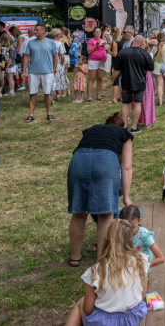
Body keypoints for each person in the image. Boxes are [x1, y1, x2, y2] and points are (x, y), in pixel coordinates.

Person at [66, 113, 134, 267]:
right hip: (105, 160)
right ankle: (102, 260)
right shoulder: (124, 134)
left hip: (78, 160)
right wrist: (126, 197)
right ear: (122, 127)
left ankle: (75, 257)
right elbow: (127, 167)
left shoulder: (91, 130)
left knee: (79, 211)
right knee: (106, 213)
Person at [63, 220, 147, 326]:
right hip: (132, 319)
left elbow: (88, 310)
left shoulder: (96, 271)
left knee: (81, 303)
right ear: (130, 239)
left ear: (107, 240)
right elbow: (142, 294)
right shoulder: (141, 262)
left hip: (104, 322)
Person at [112, 36, 154, 135]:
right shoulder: (145, 54)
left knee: (125, 104)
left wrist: (111, 80)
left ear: (133, 42)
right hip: (140, 81)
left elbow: (116, 69)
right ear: (141, 44)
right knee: (137, 103)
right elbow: (151, 67)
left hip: (126, 81)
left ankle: (125, 126)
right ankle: (134, 127)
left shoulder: (123, 52)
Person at [22, 23, 58, 122]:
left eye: (37, 30)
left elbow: (55, 57)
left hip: (47, 71)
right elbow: (26, 57)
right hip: (33, 71)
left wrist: (54, 70)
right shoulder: (30, 43)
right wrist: (23, 71)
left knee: (47, 93)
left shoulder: (51, 42)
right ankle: (31, 114)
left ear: (43, 31)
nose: (35, 32)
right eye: (34, 30)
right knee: (32, 93)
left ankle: (49, 113)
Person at [118, 204, 165, 272]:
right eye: (126, 227)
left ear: (139, 221)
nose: (129, 230)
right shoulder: (118, 232)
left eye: (133, 227)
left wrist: (144, 266)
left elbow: (161, 258)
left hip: (141, 269)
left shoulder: (145, 236)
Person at [85, 29, 108, 103]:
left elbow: (105, 49)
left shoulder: (102, 40)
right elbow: (89, 51)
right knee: (91, 78)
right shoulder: (91, 41)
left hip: (102, 60)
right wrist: (96, 44)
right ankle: (89, 97)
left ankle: (98, 96)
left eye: (99, 31)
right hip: (93, 60)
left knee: (100, 79)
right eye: (97, 32)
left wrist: (105, 47)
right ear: (94, 33)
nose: (98, 33)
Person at [51, 28, 71, 99]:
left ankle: (53, 96)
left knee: (51, 80)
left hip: (49, 63)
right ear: (58, 35)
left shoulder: (48, 43)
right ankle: (60, 93)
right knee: (58, 79)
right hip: (58, 63)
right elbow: (62, 56)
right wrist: (62, 63)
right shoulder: (59, 44)